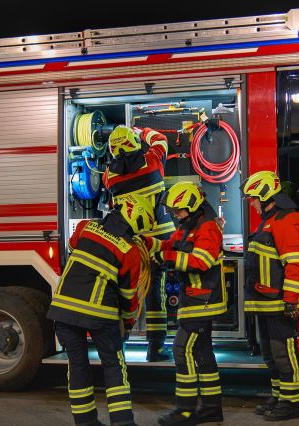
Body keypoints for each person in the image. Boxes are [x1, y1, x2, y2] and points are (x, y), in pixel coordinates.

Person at [47, 194, 155, 426]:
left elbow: (72, 246)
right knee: (114, 364)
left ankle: (85, 421)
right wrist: (127, 324)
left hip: (63, 311)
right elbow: (128, 296)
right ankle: (123, 421)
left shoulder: (86, 227)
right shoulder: (130, 251)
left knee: (77, 365)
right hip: (100, 315)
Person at [145, 181, 226, 426]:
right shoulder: (188, 226)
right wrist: (148, 243)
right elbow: (170, 244)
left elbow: (202, 261)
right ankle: (212, 408)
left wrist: (166, 257)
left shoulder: (207, 227)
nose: (175, 214)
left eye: (178, 210)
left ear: (192, 206)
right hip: (195, 299)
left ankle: (185, 410)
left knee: (182, 350)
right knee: (202, 352)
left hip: (202, 300)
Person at [240, 170, 299, 422]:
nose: (252, 203)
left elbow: (296, 263)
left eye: (253, 198)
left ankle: (291, 402)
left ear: (265, 195)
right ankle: (279, 396)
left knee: (283, 352)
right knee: (271, 353)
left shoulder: (287, 220)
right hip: (267, 302)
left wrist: (290, 300)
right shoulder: (270, 221)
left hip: (281, 303)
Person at [103, 125, 175, 361]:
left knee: (125, 294)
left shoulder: (109, 176)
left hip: (129, 242)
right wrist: (140, 130)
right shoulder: (152, 161)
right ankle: (156, 348)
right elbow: (161, 139)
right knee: (155, 292)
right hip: (159, 239)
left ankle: (119, 347)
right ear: (134, 143)